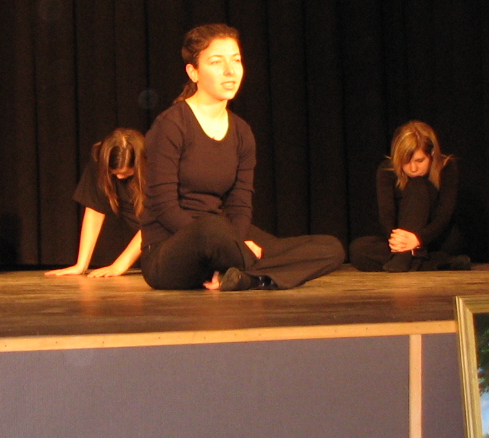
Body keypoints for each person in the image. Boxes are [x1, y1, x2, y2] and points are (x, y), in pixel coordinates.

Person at [140, 24, 344, 291]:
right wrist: (232, 246)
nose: (230, 71)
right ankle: (243, 265)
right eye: (217, 62)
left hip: (225, 236)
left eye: (236, 60)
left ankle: (246, 278)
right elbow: (164, 206)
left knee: (329, 248)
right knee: (212, 229)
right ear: (193, 72)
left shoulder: (242, 132)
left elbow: (240, 204)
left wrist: (233, 243)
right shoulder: (171, 125)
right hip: (172, 248)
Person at [350, 121, 470, 271]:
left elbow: (443, 216)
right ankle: (435, 262)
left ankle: (403, 259)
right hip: (402, 241)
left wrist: (418, 239)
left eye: (419, 161)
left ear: (432, 155)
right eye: (406, 162)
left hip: (436, 238)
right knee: (358, 249)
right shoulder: (386, 170)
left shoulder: (447, 168)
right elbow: (387, 215)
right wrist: (399, 242)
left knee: (417, 185)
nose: (413, 168)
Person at [45, 129, 147, 277]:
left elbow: (154, 222)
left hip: (165, 239)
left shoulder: (156, 165)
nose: (119, 178)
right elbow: (95, 208)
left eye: (125, 173)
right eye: (114, 173)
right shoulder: (99, 161)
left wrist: (118, 266)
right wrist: (81, 265)